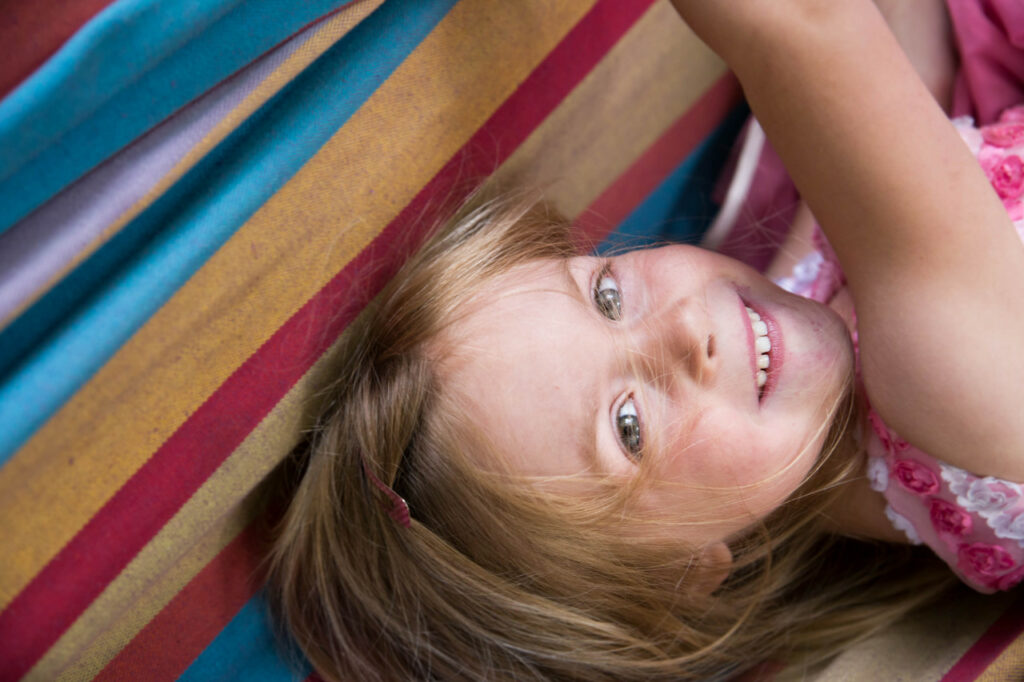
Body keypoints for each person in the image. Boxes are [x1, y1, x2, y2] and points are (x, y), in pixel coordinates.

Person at [266, 1, 1024, 679]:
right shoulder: (951, 387)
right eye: (627, 427)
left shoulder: (799, 300)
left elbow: (911, 73)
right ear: (681, 575)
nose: (685, 328)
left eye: (607, 296)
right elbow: (803, 26)